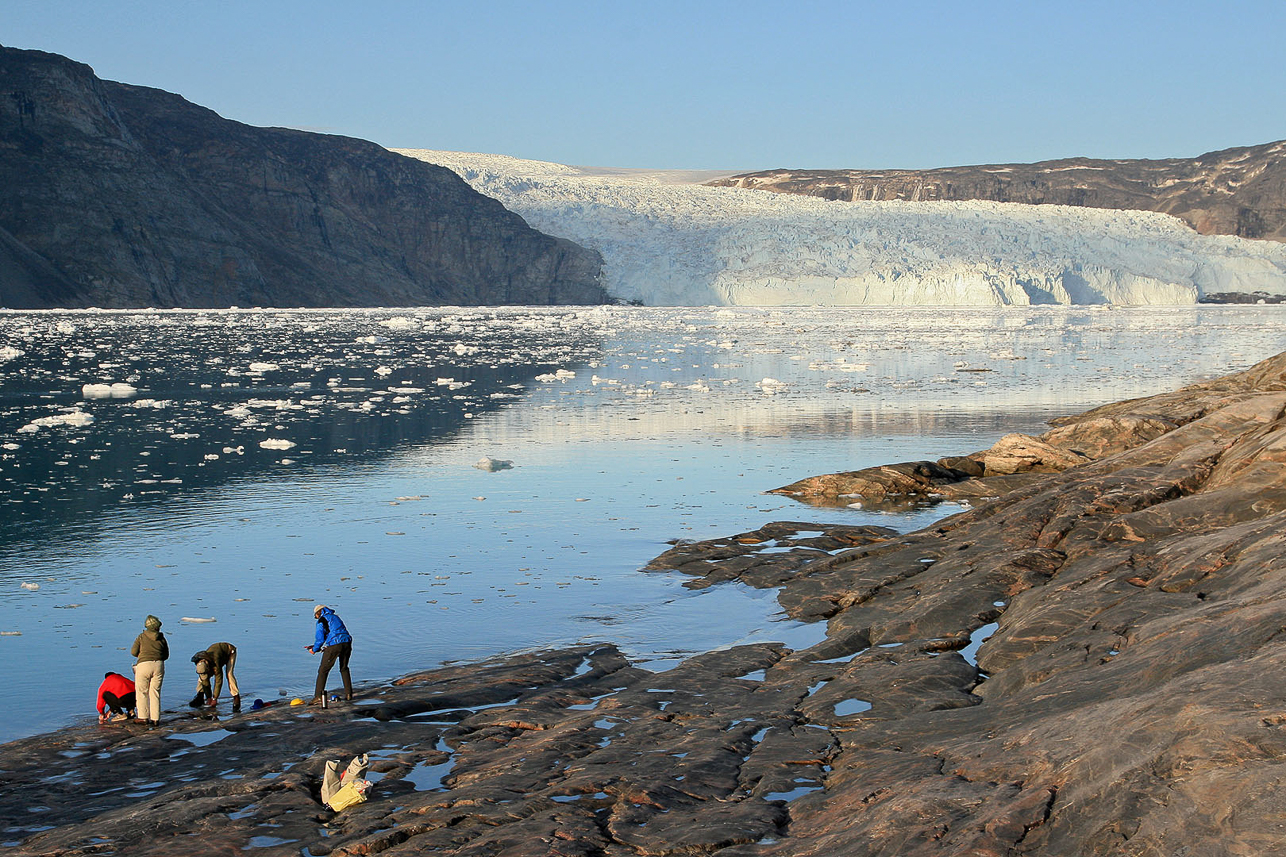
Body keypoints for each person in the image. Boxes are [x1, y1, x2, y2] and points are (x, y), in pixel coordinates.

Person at [306, 604, 353, 704]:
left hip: (335, 645)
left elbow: (320, 638)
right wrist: (326, 647)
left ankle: (318, 697)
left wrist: (314, 650)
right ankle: (349, 694)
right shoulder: (335, 617)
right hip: (347, 643)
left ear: (318, 613)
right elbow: (338, 633)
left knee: (323, 670)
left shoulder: (322, 620)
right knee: (344, 668)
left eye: (315, 615)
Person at [130, 614, 169, 726]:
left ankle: (143, 717)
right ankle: (155, 718)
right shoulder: (162, 638)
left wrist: (142, 655)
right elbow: (166, 655)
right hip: (159, 665)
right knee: (155, 692)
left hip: (144, 665)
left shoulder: (141, 637)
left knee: (142, 692)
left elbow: (133, 652)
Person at [191, 642, 241, 711]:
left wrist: (214, 698)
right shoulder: (200, 663)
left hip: (230, 652)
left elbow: (218, 681)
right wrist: (209, 697)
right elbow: (205, 681)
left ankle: (236, 698)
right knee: (201, 679)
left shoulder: (215, 664)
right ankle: (200, 697)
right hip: (213, 659)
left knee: (229, 675)